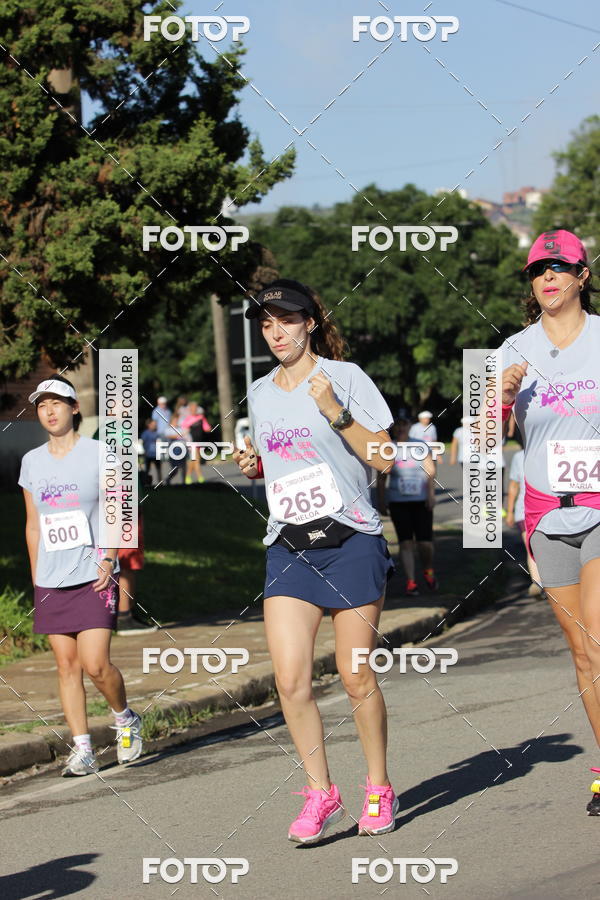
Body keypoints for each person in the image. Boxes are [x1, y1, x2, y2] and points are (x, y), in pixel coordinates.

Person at [234, 278, 398, 843]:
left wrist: (333, 410)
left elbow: (383, 456)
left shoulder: (346, 379)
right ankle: (320, 791)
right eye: (267, 322)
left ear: (310, 322)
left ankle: (377, 786)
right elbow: (283, 463)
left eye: (287, 320)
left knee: (355, 676)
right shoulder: (258, 392)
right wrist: (256, 465)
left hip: (351, 540)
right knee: (290, 678)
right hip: (290, 546)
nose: (276, 331)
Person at [499, 228, 600, 815]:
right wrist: (500, 400)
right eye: (538, 270)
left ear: (582, 275)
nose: (548, 277)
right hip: (546, 514)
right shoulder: (512, 351)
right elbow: (485, 446)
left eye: (560, 267)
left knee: (598, 634)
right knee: (583, 654)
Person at [18, 375, 143, 776]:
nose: (49, 411)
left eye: (57, 403)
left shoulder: (100, 454)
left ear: (74, 408)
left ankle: (125, 719)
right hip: (52, 578)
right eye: (42, 405)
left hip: (95, 574)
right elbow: (33, 525)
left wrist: (109, 558)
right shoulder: (32, 462)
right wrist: (38, 578)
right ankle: (83, 747)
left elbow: (119, 512)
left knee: (95, 664)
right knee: (65, 665)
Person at [377, 418, 437, 596]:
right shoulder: (388, 447)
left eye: (404, 425)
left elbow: (430, 471)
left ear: (409, 427)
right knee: (405, 542)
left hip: (421, 500)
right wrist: (381, 501)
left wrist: (431, 495)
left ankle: (428, 570)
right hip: (398, 501)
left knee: (425, 543)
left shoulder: (419, 445)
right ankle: (411, 581)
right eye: (398, 425)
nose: (401, 428)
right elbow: (381, 478)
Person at [505, 437, 543, 597]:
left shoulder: (520, 456)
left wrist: (510, 511)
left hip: (530, 508)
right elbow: (514, 485)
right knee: (535, 547)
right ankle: (540, 583)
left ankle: (539, 583)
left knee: (532, 548)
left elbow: (514, 485)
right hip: (532, 508)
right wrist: (510, 511)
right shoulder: (521, 456)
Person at [181, 401, 211, 484]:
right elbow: (183, 432)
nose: (194, 409)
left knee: (194, 460)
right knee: (196, 460)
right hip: (191, 442)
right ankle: (200, 477)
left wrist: (208, 428)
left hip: (200, 442)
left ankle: (188, 476)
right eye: (192, 408)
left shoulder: (201, 417)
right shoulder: (187, 420)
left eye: (195, 408)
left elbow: (206, 428)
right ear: (190, 409)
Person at [140, 418, 160, 484]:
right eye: (153, 424)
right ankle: (145, 483)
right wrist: (144, 451)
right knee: (147, 470)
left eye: (155, 424)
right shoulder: (145, 433)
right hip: (148, 455)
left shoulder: (157, 433)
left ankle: (160, 483)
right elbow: (142, 442)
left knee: (158, 470)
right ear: (149, 425)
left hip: (156, 455)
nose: (155, 425)